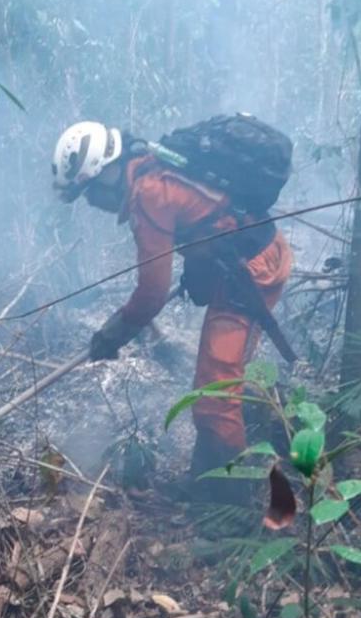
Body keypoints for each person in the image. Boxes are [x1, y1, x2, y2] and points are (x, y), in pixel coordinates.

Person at [52, 120, 293, 493]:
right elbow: (208, 214)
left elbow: (151, 292)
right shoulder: (153, 164)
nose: (93, 203)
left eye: (88, 192)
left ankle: (231, 506)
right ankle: (205, 483)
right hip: (241, 263)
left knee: (216, 392)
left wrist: (113, 334)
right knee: (211, 386)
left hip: (252, 271)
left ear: (105, 173)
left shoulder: (147, 194)